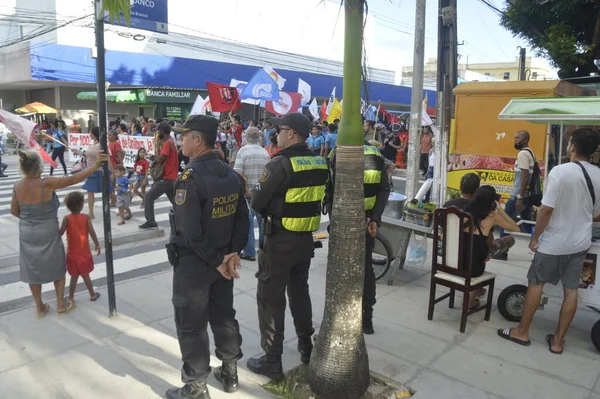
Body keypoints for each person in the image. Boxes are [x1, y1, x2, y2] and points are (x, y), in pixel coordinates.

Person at [166, 115, 248, 399]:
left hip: (197, 265)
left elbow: (190, 231)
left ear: (197, 140)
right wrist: (230, 255)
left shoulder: (190, 178)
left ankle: (196, 387)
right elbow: (242, 220)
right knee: (224, 317)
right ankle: (230, 372)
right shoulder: (231, 174)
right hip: (222, 263)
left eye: (184, 136)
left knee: (192, 326)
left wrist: (218, 260)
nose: (181, 141)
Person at [499, 128, 600, 354]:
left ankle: (522, 332)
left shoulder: (560, 172)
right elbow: (597, 212)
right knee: (571, 290)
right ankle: (557, 341)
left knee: (536, 284)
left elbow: (545, 210)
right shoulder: (599, 175)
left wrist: (535, 238)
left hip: (554, 242)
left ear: (572, 146)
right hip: (580, 243)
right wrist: (583, 217)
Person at [247, 113, 328, 379]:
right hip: (306, 239)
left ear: (291, 133)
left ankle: (272, 360)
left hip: (279, 241)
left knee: (270, 299)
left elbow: (257, 202)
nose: (275, 135)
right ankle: (306, 346)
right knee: (299, 292)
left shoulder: (280, 163)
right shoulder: (320, 162)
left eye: (279, 130)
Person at [11, 149, 108, 316]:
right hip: (48, 231)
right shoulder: (45, 183)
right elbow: (73, 179)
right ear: (39, 168)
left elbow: (14, 211)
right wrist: (95, 166)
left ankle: (39, 307)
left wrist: (31, 220)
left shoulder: (17, 186)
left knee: (32, 269)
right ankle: (60, 304)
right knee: (57, 267)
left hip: (27, 233)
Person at [327, 140, 390, 334]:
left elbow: (330, 191)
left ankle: (345, 317)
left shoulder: (337, 152)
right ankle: (366, 320)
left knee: (343, 270)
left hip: (346, 223)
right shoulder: (375, 154)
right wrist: (375, 218)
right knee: (365, 269)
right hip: (365, 221)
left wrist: (334, 219)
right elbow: (384, 189)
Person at [461, 186, 520, 308]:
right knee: (508, 240)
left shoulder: (461, 213)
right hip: (475, 269)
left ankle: (476, 292)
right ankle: (471, 300)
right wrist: (500, 210)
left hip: (454, 263)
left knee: (476, 250)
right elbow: (515, 228)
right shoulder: (492, 216)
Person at [233, 127, 271, 262]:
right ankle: (263, 249)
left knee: (248, 223)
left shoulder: (243, 151)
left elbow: (237, 173)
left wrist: (246, 190)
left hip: (247, 193)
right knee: (262, 223)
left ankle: (249, 252)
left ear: (246, 138)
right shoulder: (265, 152)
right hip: (261, 193)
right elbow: (268, 174)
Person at [59, 191, 101, 305]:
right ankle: (92, 294)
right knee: (85, 274)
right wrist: (97, 243)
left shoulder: (66, 218)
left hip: (72, 253)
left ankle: (71, 297)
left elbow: (60, 233)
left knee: (74, 276)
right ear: (82, 204)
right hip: (84, 252)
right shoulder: (86, 217)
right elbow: (91, 232)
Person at [499, 130, 536, 258]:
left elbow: (525, 177)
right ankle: (537, 249)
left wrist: (519, 197)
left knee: (504, 221)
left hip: (518, 195)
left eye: (517, 138)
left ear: (525, 140)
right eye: (514, 137)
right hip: (526, 195)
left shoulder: (523, 154)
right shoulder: (530, 152)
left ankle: (501, 251)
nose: (515, 140)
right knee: (527, 223)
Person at [139, 122, 179, 229]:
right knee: (176, 202)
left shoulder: (167, 143)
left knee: (149, 196)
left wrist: (153, 157)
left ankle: (151, 221)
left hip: (166, 177)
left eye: (158, 131)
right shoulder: (171, 141)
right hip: (172, 177)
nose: (157, 133)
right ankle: (185, 218)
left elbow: (161, 159)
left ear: (162, 131)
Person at [78, 127, 112, 220]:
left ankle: (94, 211)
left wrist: (112, 171)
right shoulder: (96, 144)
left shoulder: (100, 145)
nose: (89, 134)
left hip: (97, 171)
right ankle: (93, 211)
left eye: (90, 132)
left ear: (94, 134)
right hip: (93, 170)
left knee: (98, 191)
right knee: (103, 191)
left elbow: (106, 157)